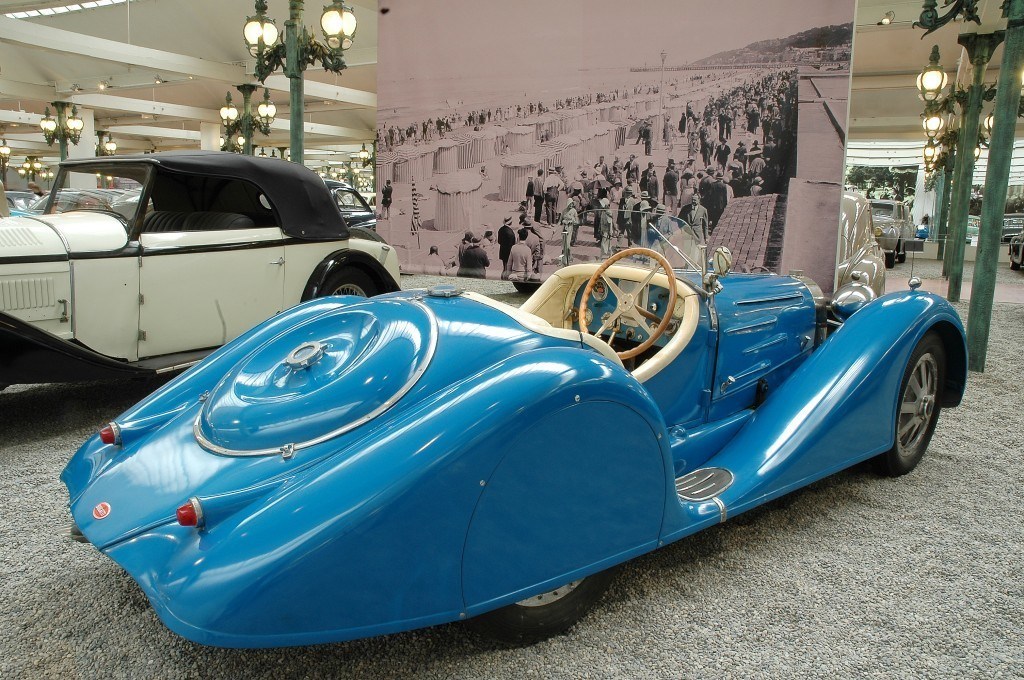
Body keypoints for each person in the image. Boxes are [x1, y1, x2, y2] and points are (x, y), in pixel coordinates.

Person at [560, 200, 579, 265]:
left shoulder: (574, 211)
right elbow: (560, 220)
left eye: (572, 204)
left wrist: (572, 221)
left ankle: (568, 257)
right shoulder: (564, 211)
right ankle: (564, 257)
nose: (571, 205)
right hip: (564, 229)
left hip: (570, 229)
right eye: (570, 204)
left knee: (567, 244)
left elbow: (577, 221)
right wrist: (563, 221)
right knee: (564, 244)